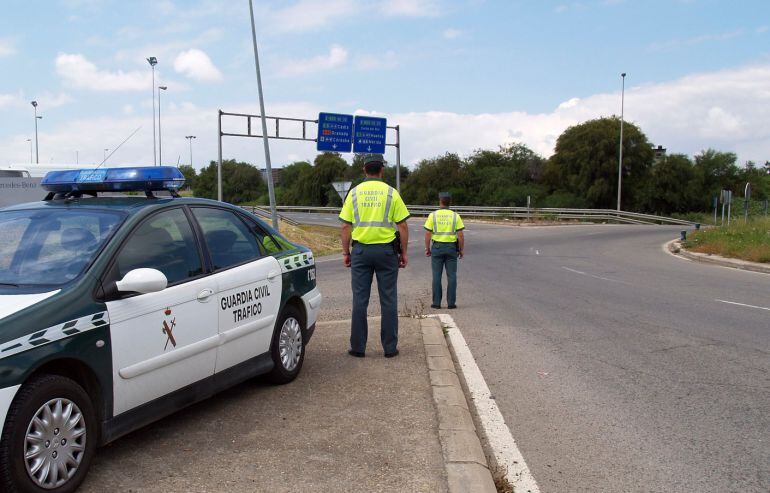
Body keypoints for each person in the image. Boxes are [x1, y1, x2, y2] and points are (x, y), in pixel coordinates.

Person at [339, 154, 410, 358]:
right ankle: (390, 348)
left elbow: (345, 226)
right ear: (382, 170)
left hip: (361, 252)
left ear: (364, 170)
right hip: (387, 253)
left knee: (360, 300)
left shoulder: (353, 194)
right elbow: (403, 225)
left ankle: (358, 347)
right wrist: (403, 252)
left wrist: (346, 252)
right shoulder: (391, 193)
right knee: (388, 299)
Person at [424, 192, 465, 309]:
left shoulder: (433, 215)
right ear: (450, 202)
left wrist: (427, 248)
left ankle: (436, 303)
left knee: (436, 276)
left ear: (440, 201)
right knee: (452, 276)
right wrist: (461, 250)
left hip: (437, 248)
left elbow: (428, 233)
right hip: (451, 248)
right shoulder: (455, 216)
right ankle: (451, 303)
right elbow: (461, 235)